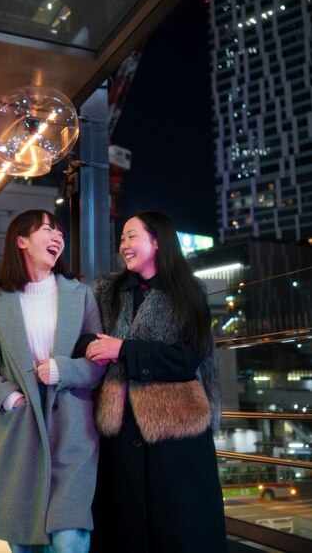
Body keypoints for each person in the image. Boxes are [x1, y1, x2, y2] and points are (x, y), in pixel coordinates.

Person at [85, 211, 229, 553]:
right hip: (119, 430)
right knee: (122, 526)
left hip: (176, 434)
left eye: (131, 236)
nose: (124, 245)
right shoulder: (108, 292)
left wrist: (123, 349)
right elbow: (87, 340)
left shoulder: (190, 293)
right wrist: (94, 348)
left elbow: (187, 357)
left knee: (182, 526)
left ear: (157, 241)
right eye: (122, 238)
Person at [0, 209, 104, 553]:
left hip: (74, 431)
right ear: (21, 241)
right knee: (23, 540)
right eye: (47, 229)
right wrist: (6, 396)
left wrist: (64, 370)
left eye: (60, 231)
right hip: (21, 431)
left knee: (70, 539)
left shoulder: (81, 294)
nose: (58, 236)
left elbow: (99, 365)